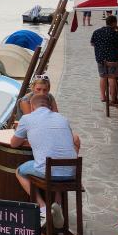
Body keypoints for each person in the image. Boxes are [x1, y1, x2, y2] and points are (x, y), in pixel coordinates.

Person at [11, 94, 82, 227]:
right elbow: (70, 139)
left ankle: (43, 209)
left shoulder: (27, 119)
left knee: (20, 172)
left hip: (48, 172)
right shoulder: (63, 119)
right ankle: (57, 206)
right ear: (50, 106)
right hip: (72, 172)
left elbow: (14, 143)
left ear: (32, 107)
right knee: (58, 167)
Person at [90, 14, 118, 103]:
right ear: (114, 23)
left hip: (100, 58)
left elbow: (92, 43)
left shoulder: (97, 32)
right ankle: (113, 98)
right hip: (112, 58)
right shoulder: (115, 33)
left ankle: (103, 96)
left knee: (102, 76)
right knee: (112, 77)